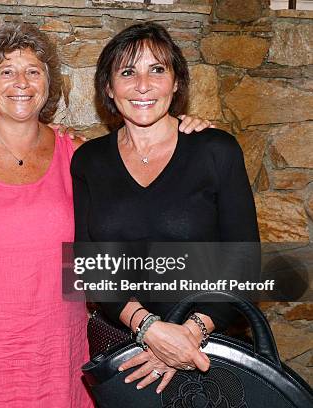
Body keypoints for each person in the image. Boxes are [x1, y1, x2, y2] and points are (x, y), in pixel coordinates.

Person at [0, 22, 210, 407]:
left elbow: (135, 216)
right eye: (6, 71)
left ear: (48, 85)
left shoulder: (77, 155)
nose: (21, 82)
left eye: (33, 72)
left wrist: (185, 130)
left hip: (58, 351)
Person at [72, 22, 260, 395]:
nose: (143, 85)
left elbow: (245, 263)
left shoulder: (216, 151)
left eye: (157, 69)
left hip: (210, 353)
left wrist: (188, 336)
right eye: (128, 72)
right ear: (109, 87)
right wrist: (150, 331)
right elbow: (88, 264)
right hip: (124, 353)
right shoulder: (89, 161)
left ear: (176, 83)